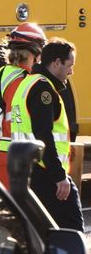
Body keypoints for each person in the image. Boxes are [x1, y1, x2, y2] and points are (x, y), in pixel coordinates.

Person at [11, 38, 83, 232]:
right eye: (69, 65)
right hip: (48, 175)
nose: (71, 71)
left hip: (30, 170)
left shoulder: (28, 83)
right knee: (72, 233)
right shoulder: (44, 89)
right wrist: (59, 176)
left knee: (41, 234)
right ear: (56, 62)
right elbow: (43, 135)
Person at [0, 23, 46, 186]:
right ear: (34, 52)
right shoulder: (20, 81)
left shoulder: (2, 74)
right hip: (9, 157)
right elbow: (15, 122)